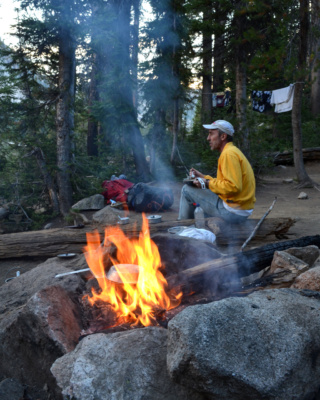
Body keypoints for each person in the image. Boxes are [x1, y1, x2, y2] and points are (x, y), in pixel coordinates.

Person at [178, 120, 256, 223]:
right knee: (202, 192)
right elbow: (224, 183)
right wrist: (203, 177)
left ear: (223, 136)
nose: (208, 138)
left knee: (186, 190)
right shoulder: (232, 151)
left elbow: (233, 187)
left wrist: (206, 183)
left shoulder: (228, 154)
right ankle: (200, 226)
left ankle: (182, 227)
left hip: (233, 211)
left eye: (211, 134)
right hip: (241, 208)